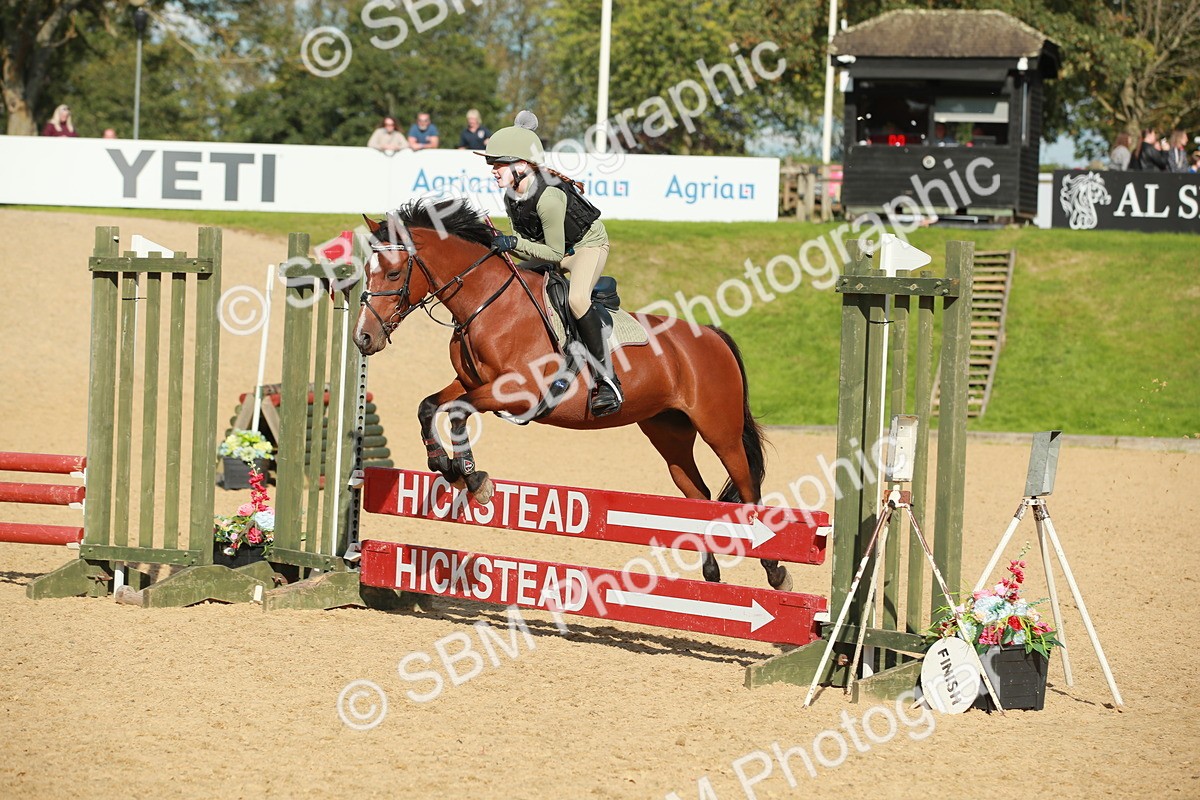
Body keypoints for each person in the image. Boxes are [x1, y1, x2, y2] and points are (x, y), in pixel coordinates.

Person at [479, 110, 622, 417]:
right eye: (491, 164)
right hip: (555, 249)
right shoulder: (511, 195)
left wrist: (513, 243)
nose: (493, 170)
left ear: (521, 165)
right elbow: (528, 246)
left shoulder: (548, 198)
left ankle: (606, 380)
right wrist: (501, 245)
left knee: (577, 298)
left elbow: (555, 255)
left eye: (499, 164)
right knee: (510, 281)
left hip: (586, 247)